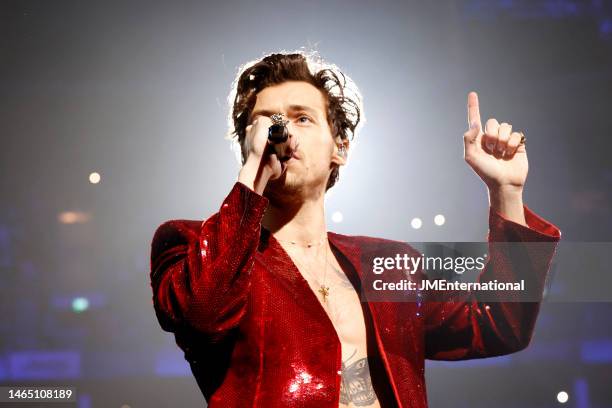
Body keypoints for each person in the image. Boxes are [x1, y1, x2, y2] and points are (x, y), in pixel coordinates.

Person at [149, 51, 561, 408]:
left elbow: (499, 326)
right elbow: (204, 313)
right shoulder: (191, 245)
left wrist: (506, 193)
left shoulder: (389, 264)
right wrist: (251, 180)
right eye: (265, 121)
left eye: (302, 118)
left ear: (339, 148)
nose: (283, 131)